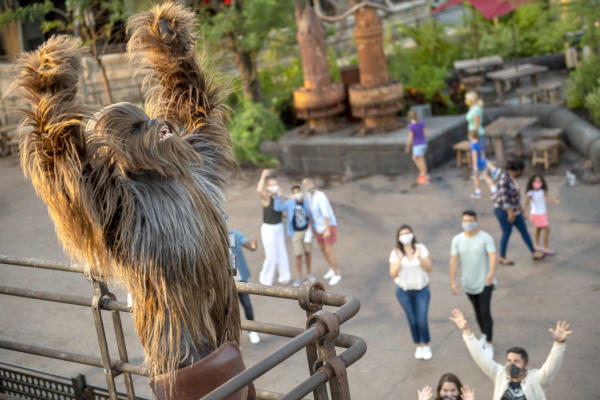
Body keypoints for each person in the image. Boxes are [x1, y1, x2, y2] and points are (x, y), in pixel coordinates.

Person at [450, 309, 571, 400]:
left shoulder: (536, 380)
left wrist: (559, 343)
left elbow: (552, 366)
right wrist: (466, 331)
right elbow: (480, 356)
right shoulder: (500, 374)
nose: (511, 364)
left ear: (527, 365)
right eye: (509, 361)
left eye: (516, 361)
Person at [449, 210, 497, 358]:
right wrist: (452, 281)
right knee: (476, 310)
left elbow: (493, 256)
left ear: (476, 221)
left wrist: (491, 274)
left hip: (484, 282)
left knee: (485, 311)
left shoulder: (485, 238)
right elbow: (454, 260)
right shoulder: (457, 239)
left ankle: (489, 342)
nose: (468, 223)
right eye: (465, 220)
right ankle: (483, 333)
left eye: (471, 220)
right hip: (469, 282)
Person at [389, 225, 433, 360]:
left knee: (421, 319)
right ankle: (418, 345)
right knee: (412, 319)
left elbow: (429, 268)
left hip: (422, 291)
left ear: (412, 234)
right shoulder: (396, 253)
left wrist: (419, 257)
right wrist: (400, 260)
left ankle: (426, 344)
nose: (405, 236)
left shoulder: (421, 248)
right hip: (404, 292)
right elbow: (393, 273)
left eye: (407, 233)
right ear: (398, 238)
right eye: (402, 234)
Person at [493, 160, 545, 265]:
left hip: (515, 210)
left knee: (524, 231)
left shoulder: (512, 178)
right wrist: (510, 213)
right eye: (521, 171)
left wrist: (521, 211)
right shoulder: (504, 179)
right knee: (506, 233)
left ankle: (533, 252)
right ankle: (502, 257)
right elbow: (505, 198)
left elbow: (516, 197)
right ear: (517, 170)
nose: (521, 173)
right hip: (504, 211)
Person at [302, 178, 342, 286]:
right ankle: (331, 267)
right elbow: (310, 214)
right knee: (322, 249)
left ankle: (336, 273)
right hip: (318, 227)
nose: (308, 187)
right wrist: (312, 228)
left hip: (328, 226)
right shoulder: (308, 198)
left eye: (309, 184)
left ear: (313, 184)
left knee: (329, 250)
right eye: (305, 186)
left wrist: (327, 229)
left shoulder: (320, 196)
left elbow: (326, 214)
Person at [274, 184, 316, 287]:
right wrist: (278, 196)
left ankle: (309, 273)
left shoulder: (306, 202)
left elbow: (311, 214)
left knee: (308, 253)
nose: (297, 194)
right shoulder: (289, 203)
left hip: (307, 231)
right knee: (298, 255)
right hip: (296, 233)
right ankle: (299, 277)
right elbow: (277, 207)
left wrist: (312, 228)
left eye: (298, 192)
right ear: (292, 194)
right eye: (295, 193)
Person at [256, 169, 291, 286]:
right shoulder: (266, 198)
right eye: (271, 185)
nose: (274, 186)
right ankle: (265, 279)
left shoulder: (280, 198)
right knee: (271, 255)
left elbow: (284, 213)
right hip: (268, 229)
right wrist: (262, 176)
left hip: (279, 227)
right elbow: (259, 190)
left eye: (275, 184)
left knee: (282, 252)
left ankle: (284, 277)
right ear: (268, 186)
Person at [230, 229, 261, 344]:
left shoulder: (234, 234)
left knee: (247, 304)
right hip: (226, 280)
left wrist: (252, 245)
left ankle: (252, 331)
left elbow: (248, 244)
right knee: (230, 310)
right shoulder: (214, 237)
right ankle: (231, 337)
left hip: (240, 277)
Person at [524, 174, 560, 255]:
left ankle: (535, 245)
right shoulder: (531, 193)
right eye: (535, 181)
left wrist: (555, 201)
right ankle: (546, 248)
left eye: (539, 181)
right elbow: (526, 203)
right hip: (536, 215)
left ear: (542, 182)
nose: (537, 183)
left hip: (542, 214)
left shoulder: (542, 191)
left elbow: (548, 197)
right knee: (547, 229)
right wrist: (524, 212)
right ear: (532, 183)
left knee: (538, 229)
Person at [468, 129, 501, 199]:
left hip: (478, 164)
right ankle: (494, 190)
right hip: (482, 162)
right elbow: (482, 154)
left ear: (471, 136)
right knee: (486, 177)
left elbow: (474, 157)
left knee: (476, 178)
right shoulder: (480, 143)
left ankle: (478, 192)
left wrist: (475, 166)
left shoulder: (473, 146)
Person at [406, 110, 429, 185]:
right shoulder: (422, 123)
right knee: (418, 158)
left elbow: (410, 137)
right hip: (423, 143)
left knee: (419, 160)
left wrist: (408, 146)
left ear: (409, 117)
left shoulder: (411, 126)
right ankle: (423, 173)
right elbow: (425, 134)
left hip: (417, 145)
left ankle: (424, 176)